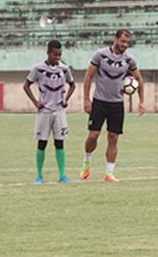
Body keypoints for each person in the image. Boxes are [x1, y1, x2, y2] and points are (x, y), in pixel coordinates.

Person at [80, 29, 145, 182]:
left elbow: (139, 79)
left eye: (128, 43)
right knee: (93, 135)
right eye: (123, 41)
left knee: (113, 137)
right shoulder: (100, 55)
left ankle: (109, 173)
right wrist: (86, 100)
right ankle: (86, 162)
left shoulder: (129, 60)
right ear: (115, 39)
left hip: (117, 104)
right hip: (99, 102)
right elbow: (88, 76)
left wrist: (141, 101)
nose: (125, 45)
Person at [23, 40, 76, 184]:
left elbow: (72, 85)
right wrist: (35, 102)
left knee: (60, 143)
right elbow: (26, 85)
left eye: (60, 55)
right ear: (48, 53)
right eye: (55, 55)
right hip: (44, 112)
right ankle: (39, 176)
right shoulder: (38, 68)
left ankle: (63, 175)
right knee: (42, 143)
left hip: (59, 111)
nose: (57, 58)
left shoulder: (64, 69)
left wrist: (66, 99)